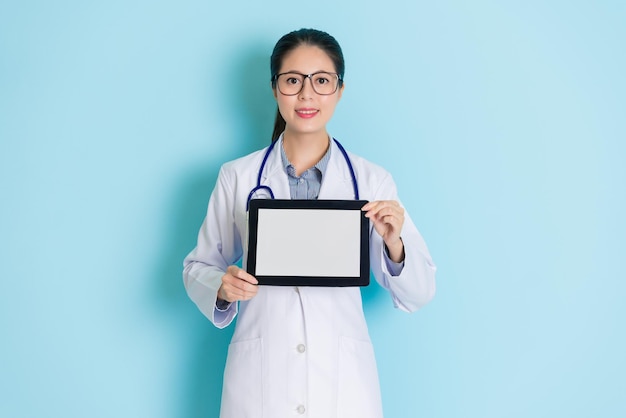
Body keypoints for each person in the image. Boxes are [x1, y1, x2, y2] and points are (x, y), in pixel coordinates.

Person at [183, 28, 436, 418]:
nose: (306, 94)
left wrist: (394, 244)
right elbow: (198, 267)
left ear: (339, 89)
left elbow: (418, 293)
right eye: (292, 81)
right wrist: (222, 286)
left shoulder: (372, 181)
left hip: (343, 388)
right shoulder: (238, 176)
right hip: (260, 385)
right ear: (274, 89)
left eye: (321, 81)